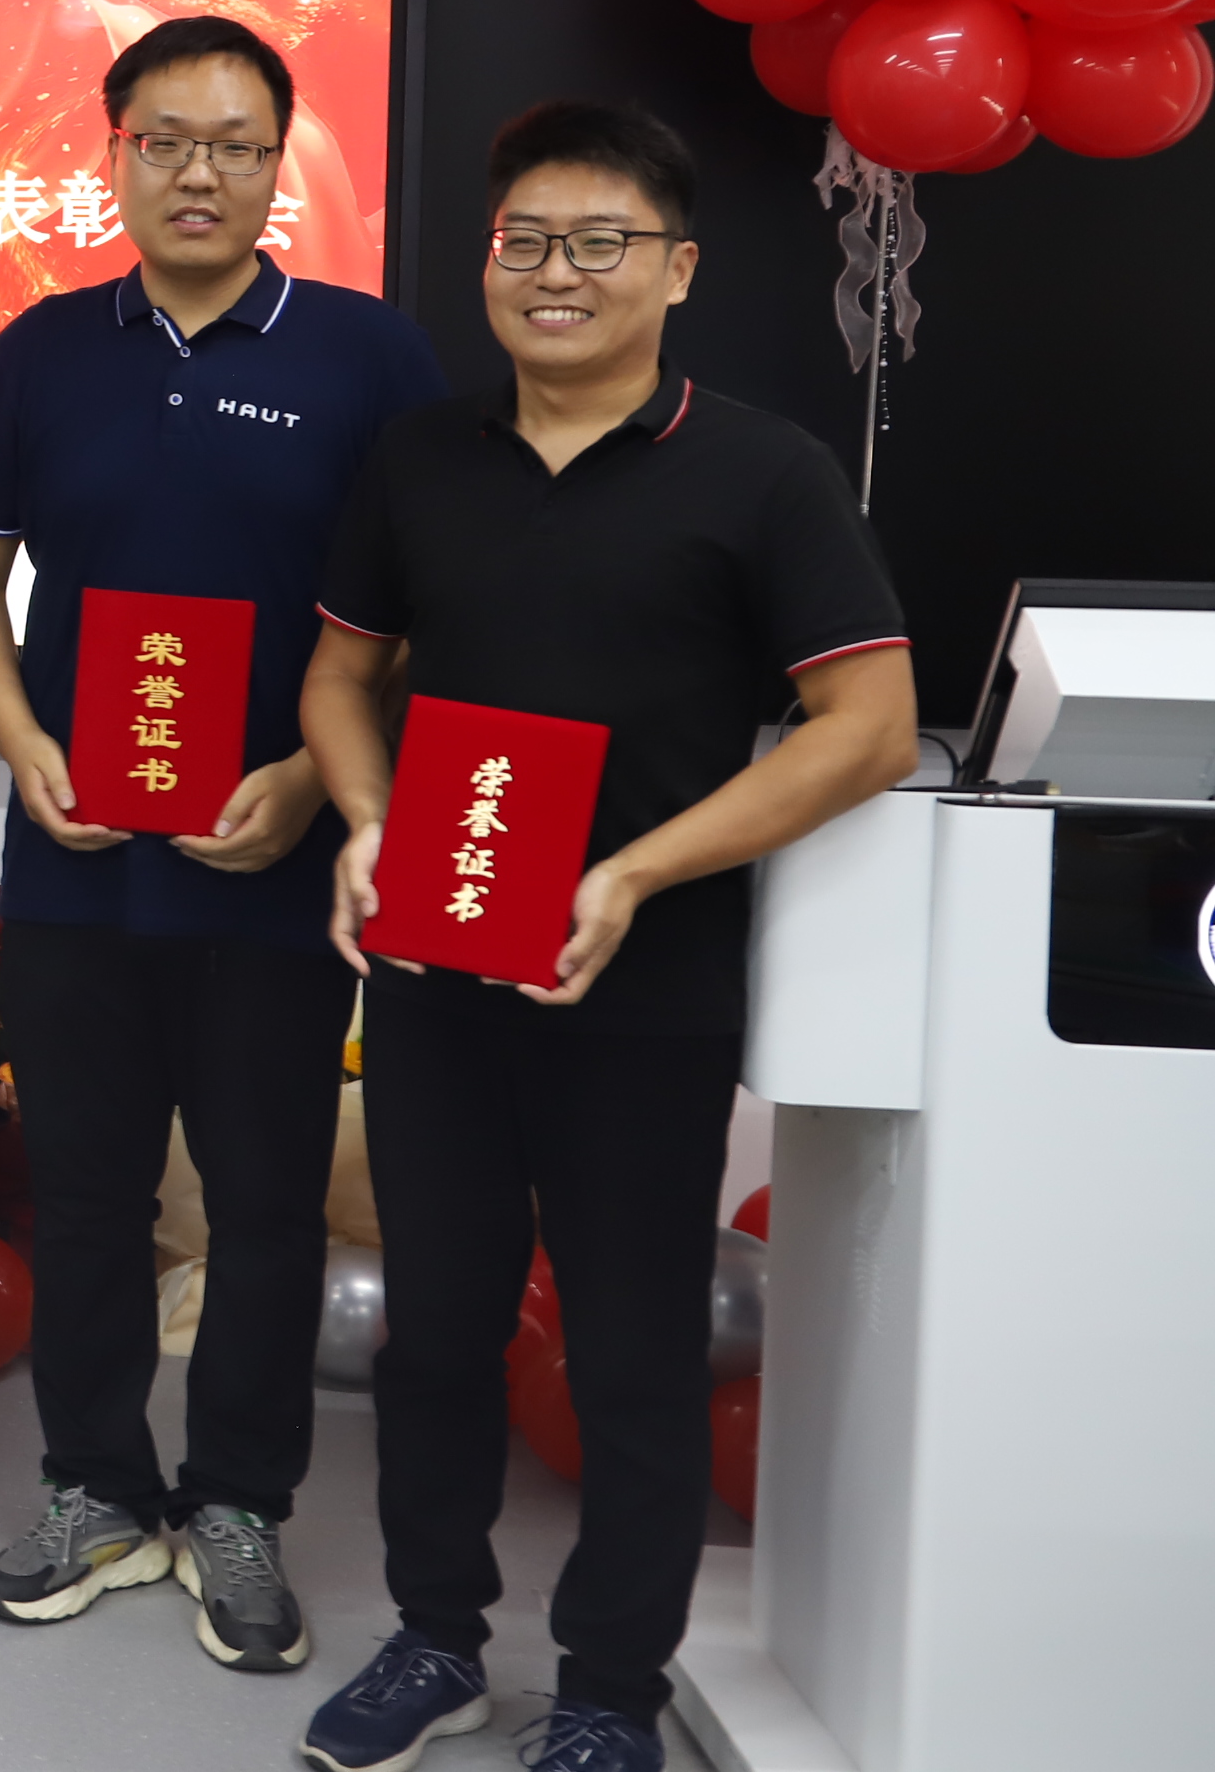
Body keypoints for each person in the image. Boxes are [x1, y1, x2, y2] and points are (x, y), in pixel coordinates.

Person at [294, 102, 915, 1772]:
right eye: (525, 241)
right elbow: (340, 678)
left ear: (678, 269)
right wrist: (366, 818)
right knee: (436, 1330)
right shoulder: (421, 457)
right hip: (438, 972)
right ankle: (435, 1640)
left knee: (632, 1347)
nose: (554, 272)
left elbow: (868, 726)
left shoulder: (765, 471)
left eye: (600, 243)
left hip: (647, 990)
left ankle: (607, 1691)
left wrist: (636, 871)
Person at [0, 17, 447, 1672]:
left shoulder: (371, 358)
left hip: (270, 870)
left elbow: (428, 610)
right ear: (116, 154)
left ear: (280, 159)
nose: (200, 172)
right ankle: (93, 1485)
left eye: (236, 142)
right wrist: (23, 743)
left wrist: (310, 777)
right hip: (77, 860)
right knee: (85, 1194)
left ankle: (237, 1501)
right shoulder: (43, 350)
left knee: (265, 1205)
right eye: (167, 140)